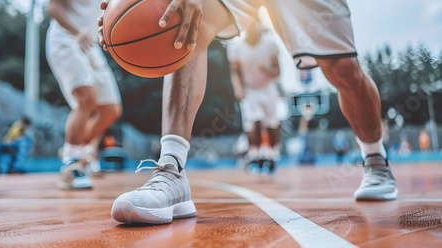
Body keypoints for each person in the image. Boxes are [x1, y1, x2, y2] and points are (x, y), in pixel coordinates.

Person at [97, 0, 397, 224]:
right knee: (182, 16)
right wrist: (127, 13)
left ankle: (375, 157)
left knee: (344, 70)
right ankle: (172, 167)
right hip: (254, 92)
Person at [46, 0, 122, 190]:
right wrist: (76, 32)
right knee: (86, 100)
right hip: (67, 38)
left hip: (90, 45)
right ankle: (70, 165)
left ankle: (76, 149)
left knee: (111, 109)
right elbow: (52, 8)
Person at [227, 21, 282, 174]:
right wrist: (238, 88)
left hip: (268, 88)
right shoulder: (236, 47)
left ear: (258, 24)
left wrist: (268, 71)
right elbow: (235, 72)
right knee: (254, 122)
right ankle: (255, 157)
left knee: (272, 124)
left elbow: (278, 71)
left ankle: (272, 156)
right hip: (250, 90)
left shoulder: (270, 44)